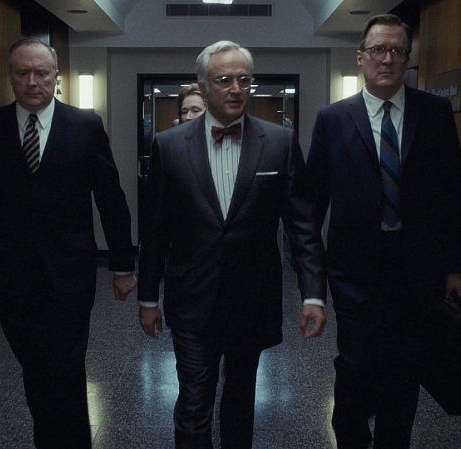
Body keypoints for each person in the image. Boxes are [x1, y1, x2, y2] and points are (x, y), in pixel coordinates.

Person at [137, 40, 327, 449]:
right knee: (194, 402)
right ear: (204, 85)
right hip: (192, 298)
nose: (236, 88)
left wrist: (313, 294)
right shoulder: (170, 146)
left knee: (241, 400)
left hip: (252, 298)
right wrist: (148, 298)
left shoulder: (279, 142)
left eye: (244, 79)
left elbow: (303, 225)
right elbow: (155, 230)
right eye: (224, 79)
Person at [0, 37, 137, 449]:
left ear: (56, 77)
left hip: (70, 275)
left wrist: (123, 264)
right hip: (12, 276)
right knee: (36, 369)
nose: (32, 81)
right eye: (23, 73)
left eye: (41, 73)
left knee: (65, 367)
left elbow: (110, 198)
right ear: (10, 76)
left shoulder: (84, 126)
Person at [305, 14, 461, 449]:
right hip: (353, 271)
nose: (388, 59)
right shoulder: (333, 119)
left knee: (404, 371)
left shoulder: (434, 113)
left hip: (417, 271)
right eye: (378, 49)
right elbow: (312, 202)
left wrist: (454, 267)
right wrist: (311, 282)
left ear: (408, 59)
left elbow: (452, 194)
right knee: (356, 365)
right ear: (360, 58)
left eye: (397, 50)